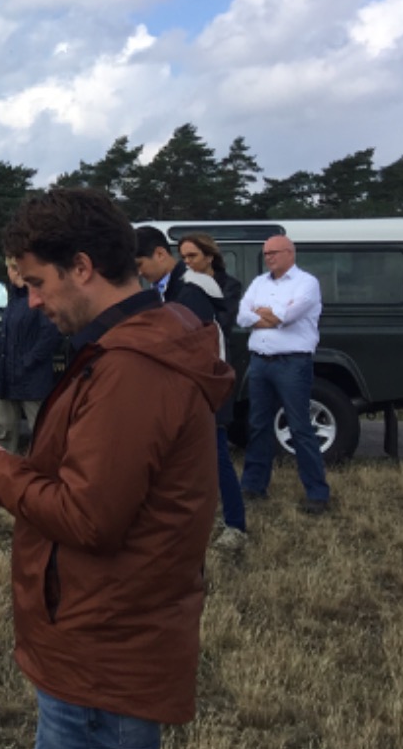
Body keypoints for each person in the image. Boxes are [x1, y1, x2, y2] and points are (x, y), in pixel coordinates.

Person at [0, 189, 232, 749]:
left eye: (38, 283)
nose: (32, 301)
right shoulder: (137, 342)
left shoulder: (134, 367)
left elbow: (88, 516)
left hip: (104, 649)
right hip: (90, 638)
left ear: (83, 267)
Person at [137, 226, 246, 549]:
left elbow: (194, 346)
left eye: (140, 264)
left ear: (159, 254)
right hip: (182, 387)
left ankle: (236, 527)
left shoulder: (193, 287)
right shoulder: (166, 288)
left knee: (216, 456)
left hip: (203, 387)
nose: (140, 273)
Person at [236, 235, 329, 513]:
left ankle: (317, 494)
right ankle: (253, 486)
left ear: (290, 253)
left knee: (300, 427)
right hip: (260, 362)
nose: (269, 258)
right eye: (266, 253)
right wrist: (265, 316)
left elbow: (285, 317)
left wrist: (265, 315)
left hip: (292, 363)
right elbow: (241, 316)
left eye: (274, 252)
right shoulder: (258, 283)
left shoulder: (307, 283)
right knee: (258, 425)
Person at [175, 231, 249, 547]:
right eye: (183, 256)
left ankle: (236, 525)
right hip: (191, 375)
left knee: (218, 452)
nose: (187, 262)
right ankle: (208, 515)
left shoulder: (227, 286)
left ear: (209, 256)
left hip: (215, 374)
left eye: (192, 256)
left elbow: (223, 322)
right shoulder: (184, 286)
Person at [0, 257, 61, 454]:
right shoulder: (13, 301)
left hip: (33, 379)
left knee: (41, 432)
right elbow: (5, 335)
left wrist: (29, 361)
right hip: (6, 379)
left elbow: (50, 334)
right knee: (2, 431)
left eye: (20, 269)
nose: (17, 273)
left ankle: (45, 476)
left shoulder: (39, 298)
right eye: (13, 269)